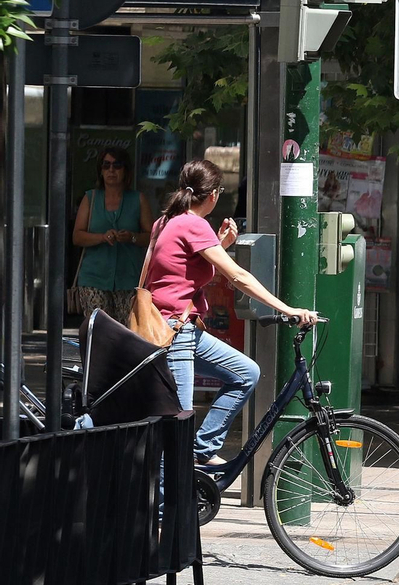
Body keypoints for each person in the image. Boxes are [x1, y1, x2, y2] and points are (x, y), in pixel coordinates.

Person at [141, 160, 316, 467]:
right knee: (177, 428)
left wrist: (221, 244)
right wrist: (288, 309)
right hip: (174, 334)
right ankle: (163, 510)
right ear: (214, 195)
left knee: (245, 373)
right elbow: (238, 276)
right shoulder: (193, 225)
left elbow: (184, 270)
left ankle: (201, 452)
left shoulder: (166, 221)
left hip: (178, 329)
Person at [72, 147, 152, 323]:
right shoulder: (90, 198)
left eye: (117, 165)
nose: (111, 170)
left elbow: (151, 237)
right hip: (94, 277)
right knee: (99, 331)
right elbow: (77, 236)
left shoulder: (138, 199)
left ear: (126, 170)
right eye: (106, 165)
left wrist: (132, 237)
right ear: (100, 171)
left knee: (127, 332)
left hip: (128, 277)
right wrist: (101, 237)